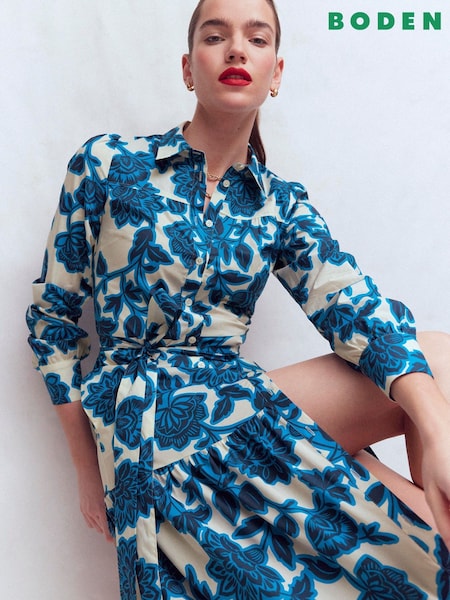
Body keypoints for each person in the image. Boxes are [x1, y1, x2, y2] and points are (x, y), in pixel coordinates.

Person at [27, 0, 450, 597]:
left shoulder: (280, 204)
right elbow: (53, 322)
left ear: (275, 73)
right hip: (141, 424)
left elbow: (356, 309)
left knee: (432, 368)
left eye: (257, 38)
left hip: (237, 400)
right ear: (188, 67)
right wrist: (87, 468)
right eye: (214, 36)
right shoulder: (109, 163)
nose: (235, 50)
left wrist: (437, 434)